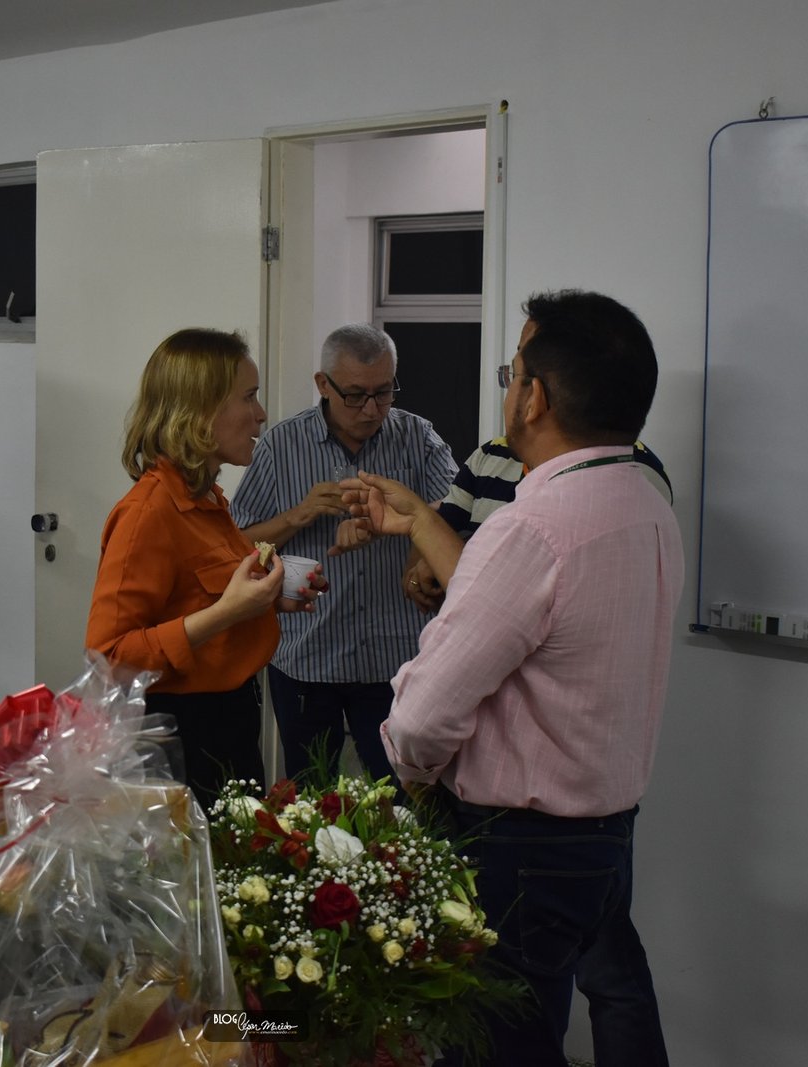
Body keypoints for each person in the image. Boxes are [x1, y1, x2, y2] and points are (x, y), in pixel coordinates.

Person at [356, 290, 682, 1066]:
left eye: (513, 374)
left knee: (498, 1046)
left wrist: (419, 779)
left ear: (534, 397)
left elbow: (422, 718)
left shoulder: (532, 527)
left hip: (518, 846)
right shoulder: (646, 502)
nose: (509, 390)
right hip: (605, 832)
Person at [86, 328, 321, 811]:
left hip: (231, 723)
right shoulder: (149, 513)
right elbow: (110, 656)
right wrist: (228, 612)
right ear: (199, 411)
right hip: (182, 739)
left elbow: (200, 601)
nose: (261, 414)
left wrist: (267, 600)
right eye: (249, 397)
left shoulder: (207, 499)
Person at [229, 323, 454, 785]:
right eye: (355, 395)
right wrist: (300, 515)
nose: (371, 409)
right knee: (310, 797)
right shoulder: (280, 445)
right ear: (323, 384)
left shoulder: (417, 437)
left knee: (403, 799)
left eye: (383, 392)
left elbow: (455, 517)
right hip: (308, 656)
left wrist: (405, 533)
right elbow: (236, 546)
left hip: (395, 658)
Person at [403, 435, 672, 612]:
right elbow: (444, 532)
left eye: (519, 377)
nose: (513, 393)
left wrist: (448, 563)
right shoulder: (491, 453)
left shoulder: (628, 470)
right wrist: (430, 570)